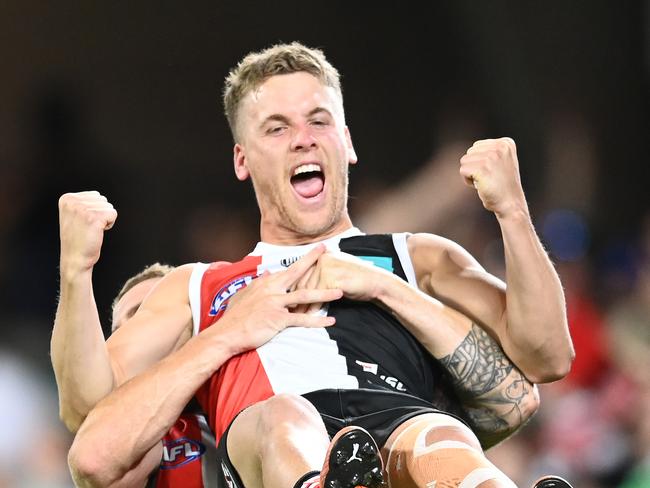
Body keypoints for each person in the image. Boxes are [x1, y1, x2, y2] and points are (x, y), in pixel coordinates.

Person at [56, 42, 574, 487]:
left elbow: (547, 357)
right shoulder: (196, 286)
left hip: (393, 429)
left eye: (319, 120)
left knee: (438, 436)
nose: (303, 137)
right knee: (288, 420)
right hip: (272, 438)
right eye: (277, 128)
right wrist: (77, 273)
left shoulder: (417, 257)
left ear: (346, 142)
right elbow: (88, 411)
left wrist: (512, 211)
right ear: (242, 160)